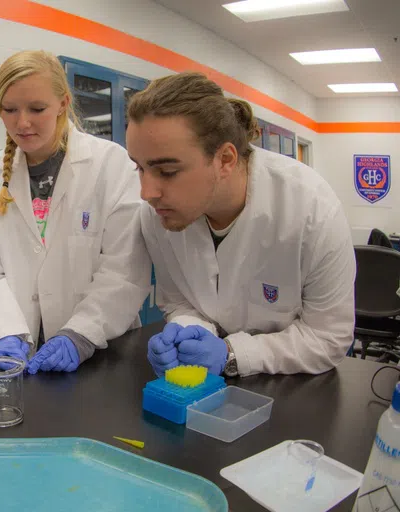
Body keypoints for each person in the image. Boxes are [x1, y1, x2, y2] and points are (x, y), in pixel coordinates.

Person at [127, 72, 355, 378]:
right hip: (207, 390)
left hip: (294, 390)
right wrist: (186, 332)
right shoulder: (157, 215)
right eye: (139, 168)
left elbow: (328, 337)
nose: (147, 192)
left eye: (167, 171)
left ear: (225, 159)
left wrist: (234, 354)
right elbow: (180, 299)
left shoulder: (311, 210)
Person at [0, 50, 149, 374]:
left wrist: (81, 334)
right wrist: (4, 331)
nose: (22, 123)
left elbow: (124, 268)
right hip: (21, 355)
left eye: (37, 109)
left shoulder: (110, 164)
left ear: (63, 103)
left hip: (100, 351)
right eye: (9, 110)